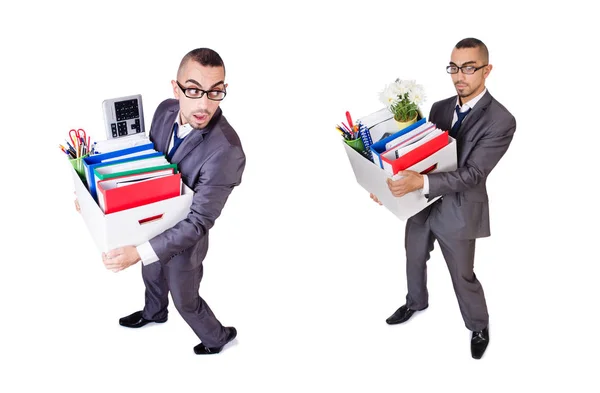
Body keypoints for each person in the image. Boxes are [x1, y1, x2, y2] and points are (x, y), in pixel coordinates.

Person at [370, 38, 516, 359]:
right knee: (413, 256)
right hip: (421, 203)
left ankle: (478, 325)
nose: (459, 76)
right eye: (454, 67)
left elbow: (473, 174)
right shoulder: (439, 107)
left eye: (468, 68)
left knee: (463, 275)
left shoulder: (501, 121)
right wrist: (386, 185)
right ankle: (415, 303)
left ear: (486, 70)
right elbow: (417, 154)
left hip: (461, 210)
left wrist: (418, 181)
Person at [99, 48, 246, 355]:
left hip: (184, 242)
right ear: (175, 89)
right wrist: (95, 193)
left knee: (185, 299)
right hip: (148, 225)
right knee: (151, 274)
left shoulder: (227, 151)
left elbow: (197, 222)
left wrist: (138, 252)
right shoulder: (165, 110)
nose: (204, 104)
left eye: (215, 92)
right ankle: (154, 312)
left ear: (224, 90)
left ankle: (217, 337)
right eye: (193, 90)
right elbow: (144, 164)